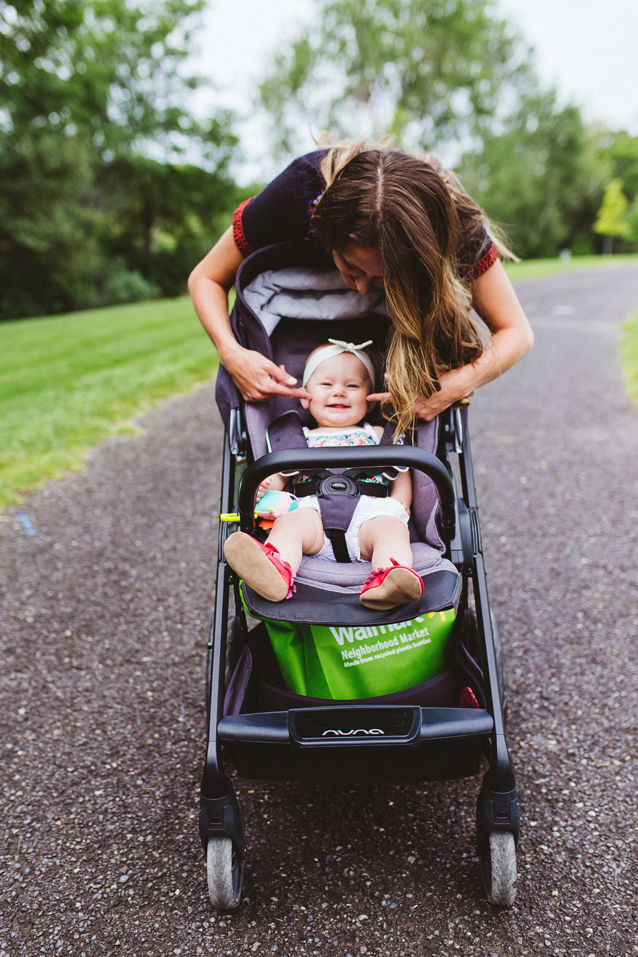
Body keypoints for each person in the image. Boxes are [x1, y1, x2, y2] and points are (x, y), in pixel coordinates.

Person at [188, 142, 534, 436]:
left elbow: (516, 332)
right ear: (325, 237)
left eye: (383, 279)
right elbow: (205, 278)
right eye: (352, 268)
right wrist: (232, 353)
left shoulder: (456, 224)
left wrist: (448, 390)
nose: (363, 288)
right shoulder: (297, 192)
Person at [223, 340, 423, 611]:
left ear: (370, 397)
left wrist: (401, 498)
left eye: (352, 386)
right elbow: (279, 479)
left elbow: (401, 468)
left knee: (393, 529)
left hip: (369, 517)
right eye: (326, 385)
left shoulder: (378, 434)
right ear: (305, 396)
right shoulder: (295, 439)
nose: (339, 392)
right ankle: (276, 570)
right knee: (289, 525)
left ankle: (389, 579)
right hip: (312, 518)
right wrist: (263, 487)